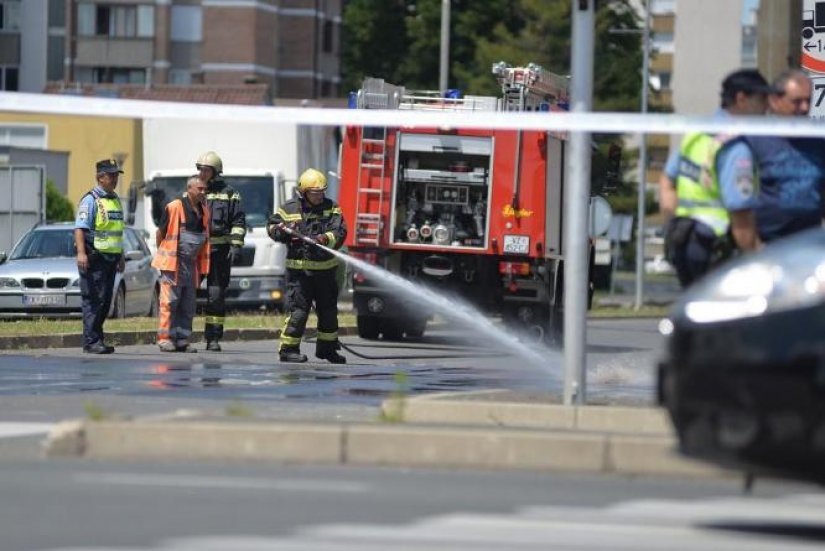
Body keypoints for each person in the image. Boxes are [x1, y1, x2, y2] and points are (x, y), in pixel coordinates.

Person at [660, 68, 772, 288]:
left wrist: (671, 226)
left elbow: (667, 182)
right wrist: (757, 256)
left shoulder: (696, 133)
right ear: (741, 99)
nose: (766, 108)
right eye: (761, 100)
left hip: (684, 242)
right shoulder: (736, 148)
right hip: (717, 248)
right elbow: (740, 213)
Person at [266, 168, 347, 363]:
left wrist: (323, 238)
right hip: (299, 273)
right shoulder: (289, 209)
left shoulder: (332, 208)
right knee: (299, 312)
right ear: (303, 192)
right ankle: (288, 349)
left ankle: (327, 350)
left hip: (326, 271)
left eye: (321, 192)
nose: (319, 196)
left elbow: (340, 231)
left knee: (328, 312)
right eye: (314, 193)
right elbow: (272, 227)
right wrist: (285, 231)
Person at [745, 70, 825, 243]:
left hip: (808, 243)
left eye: (808, 101)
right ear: (774, 101)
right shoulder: (754, 139)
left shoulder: (818, 141)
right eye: (797, 102)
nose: (804, 108)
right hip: (767, 243)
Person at [152, 176, 210, 352]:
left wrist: (202, 269)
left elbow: (205, 240)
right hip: (173, 264)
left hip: (191, 265)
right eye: (199, 189)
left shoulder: (204, 210)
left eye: (204, 189)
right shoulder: (175, 207)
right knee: (170, 303)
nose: (203, 192)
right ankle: (165, 339)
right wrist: (165, 256)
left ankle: (182, 339)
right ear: (189, 189)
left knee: (188, 304)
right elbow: (160, 234)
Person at [74, 159, 126, 354]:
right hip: (94, 257)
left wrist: (120, 255)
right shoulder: (90, 200)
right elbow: (80, 229)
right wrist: (81, 253)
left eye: (116, 176)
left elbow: (118, 231)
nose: (114, 179)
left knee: (104, 300)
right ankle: (91, 341)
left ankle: (97, 338)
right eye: (111, 175)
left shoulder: (115, 199)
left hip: (111, 258)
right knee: (93, 300)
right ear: (100, 177)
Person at [197, 151, 245, 352]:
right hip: (197, 251)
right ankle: (179, 336)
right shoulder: (194, 190)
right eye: (200, 169)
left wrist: (235, 245)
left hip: (220, 251)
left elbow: (238, 221)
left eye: (206, 170)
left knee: (216, 295)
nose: (202, 173)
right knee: (186, 294)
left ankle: (213, 338)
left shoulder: (230, 193)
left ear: (216, 172)